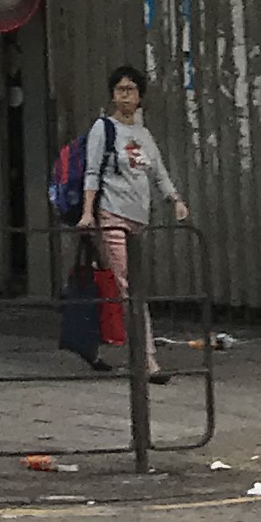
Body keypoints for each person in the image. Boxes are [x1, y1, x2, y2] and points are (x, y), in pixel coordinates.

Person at [86, 62, 187, 378]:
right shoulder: (104, 128)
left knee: (128, 288)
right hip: (112, 214)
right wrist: (88, 213)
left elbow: (158, 173)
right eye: (120, 90)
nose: (125, 96)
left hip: (139, 219)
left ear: (140, 96)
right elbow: (92, 172)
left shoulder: (144, 135)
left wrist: (175, 200)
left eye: (131, 90)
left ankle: (106, 347)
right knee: (128, 288)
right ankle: (146, 360)